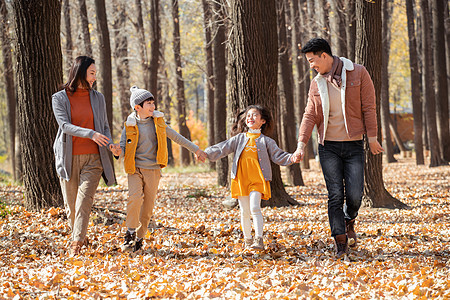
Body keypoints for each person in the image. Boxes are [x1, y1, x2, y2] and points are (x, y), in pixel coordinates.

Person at [292, 38, 384, 258]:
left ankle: (349, 218)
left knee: (354, 195)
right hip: (328, 147)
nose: (311, 65)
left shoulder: (358, 73)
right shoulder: (316, 83)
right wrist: (300, 145)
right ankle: (340, 241)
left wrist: (372, 138)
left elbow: (369, 108)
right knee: (335, 195)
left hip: (353, 145)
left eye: (312, 60)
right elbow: (309, 115)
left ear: (324, 55)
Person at [111, 86, 207, 252]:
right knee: (134, 198)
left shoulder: (158, 123)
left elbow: (177, 137)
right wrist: (117, 152)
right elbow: (122, 147)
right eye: (149, 103)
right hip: (134, 168)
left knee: (147, 208)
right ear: (137, 107)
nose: (153, 106)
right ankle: (130, 233)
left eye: (153, 103)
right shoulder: (129, 125)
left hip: (153, 169)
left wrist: (196, 149)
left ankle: (140, 238)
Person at [205, 105, 297, 250]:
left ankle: (259, 239)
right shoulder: (239, 138)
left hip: (258, 180)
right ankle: (248, 240)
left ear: (263, 121)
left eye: (254, 115)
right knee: (244, 211)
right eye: (248, 116)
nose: (250, 118)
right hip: (241, 179)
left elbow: (278, 155)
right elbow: (223, 147)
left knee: (255, 207)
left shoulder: (266, 141)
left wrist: (292, 157)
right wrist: (206, 153)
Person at [52, 56, 116, 256]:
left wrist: (110, 143)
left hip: (93, 159)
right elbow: (65, 126)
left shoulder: (98, 98)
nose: (94, 77)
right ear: (80, 72)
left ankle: (76, 244)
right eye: (92, 73)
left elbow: (104, 126)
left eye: (95, 73)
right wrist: (91, 133)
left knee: (84, 202)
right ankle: (81, 236)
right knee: (71, 207)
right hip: (68, 158)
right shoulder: (59, 98)